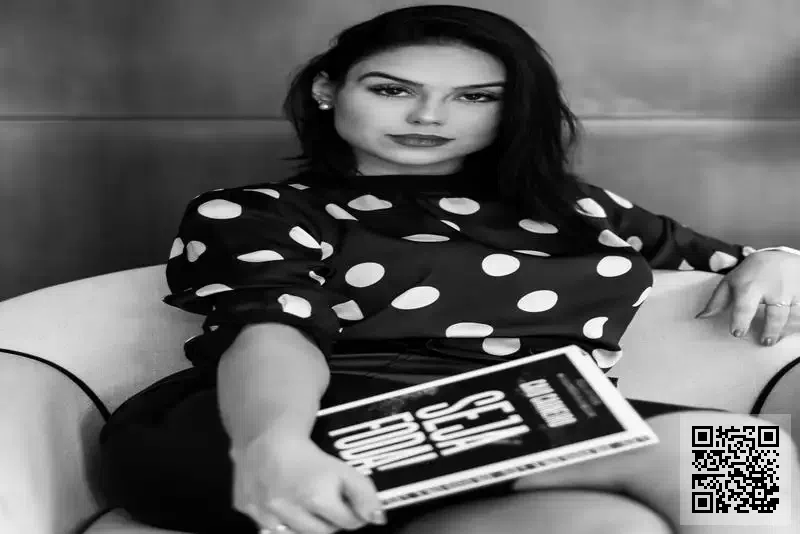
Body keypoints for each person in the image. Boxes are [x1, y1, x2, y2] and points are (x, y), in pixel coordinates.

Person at [99, 4, 800, 534]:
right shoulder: (257, 210)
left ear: (512, 109)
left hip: (527, 425)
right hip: (301, 427)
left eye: (476, 96)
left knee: (613, 525)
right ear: (327, 90)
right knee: (713, 447)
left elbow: (729, 257)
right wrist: (271, 445)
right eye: (391, 90)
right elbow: (270, 331)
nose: (429, 116)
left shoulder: (579, 208)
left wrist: (775, 260)